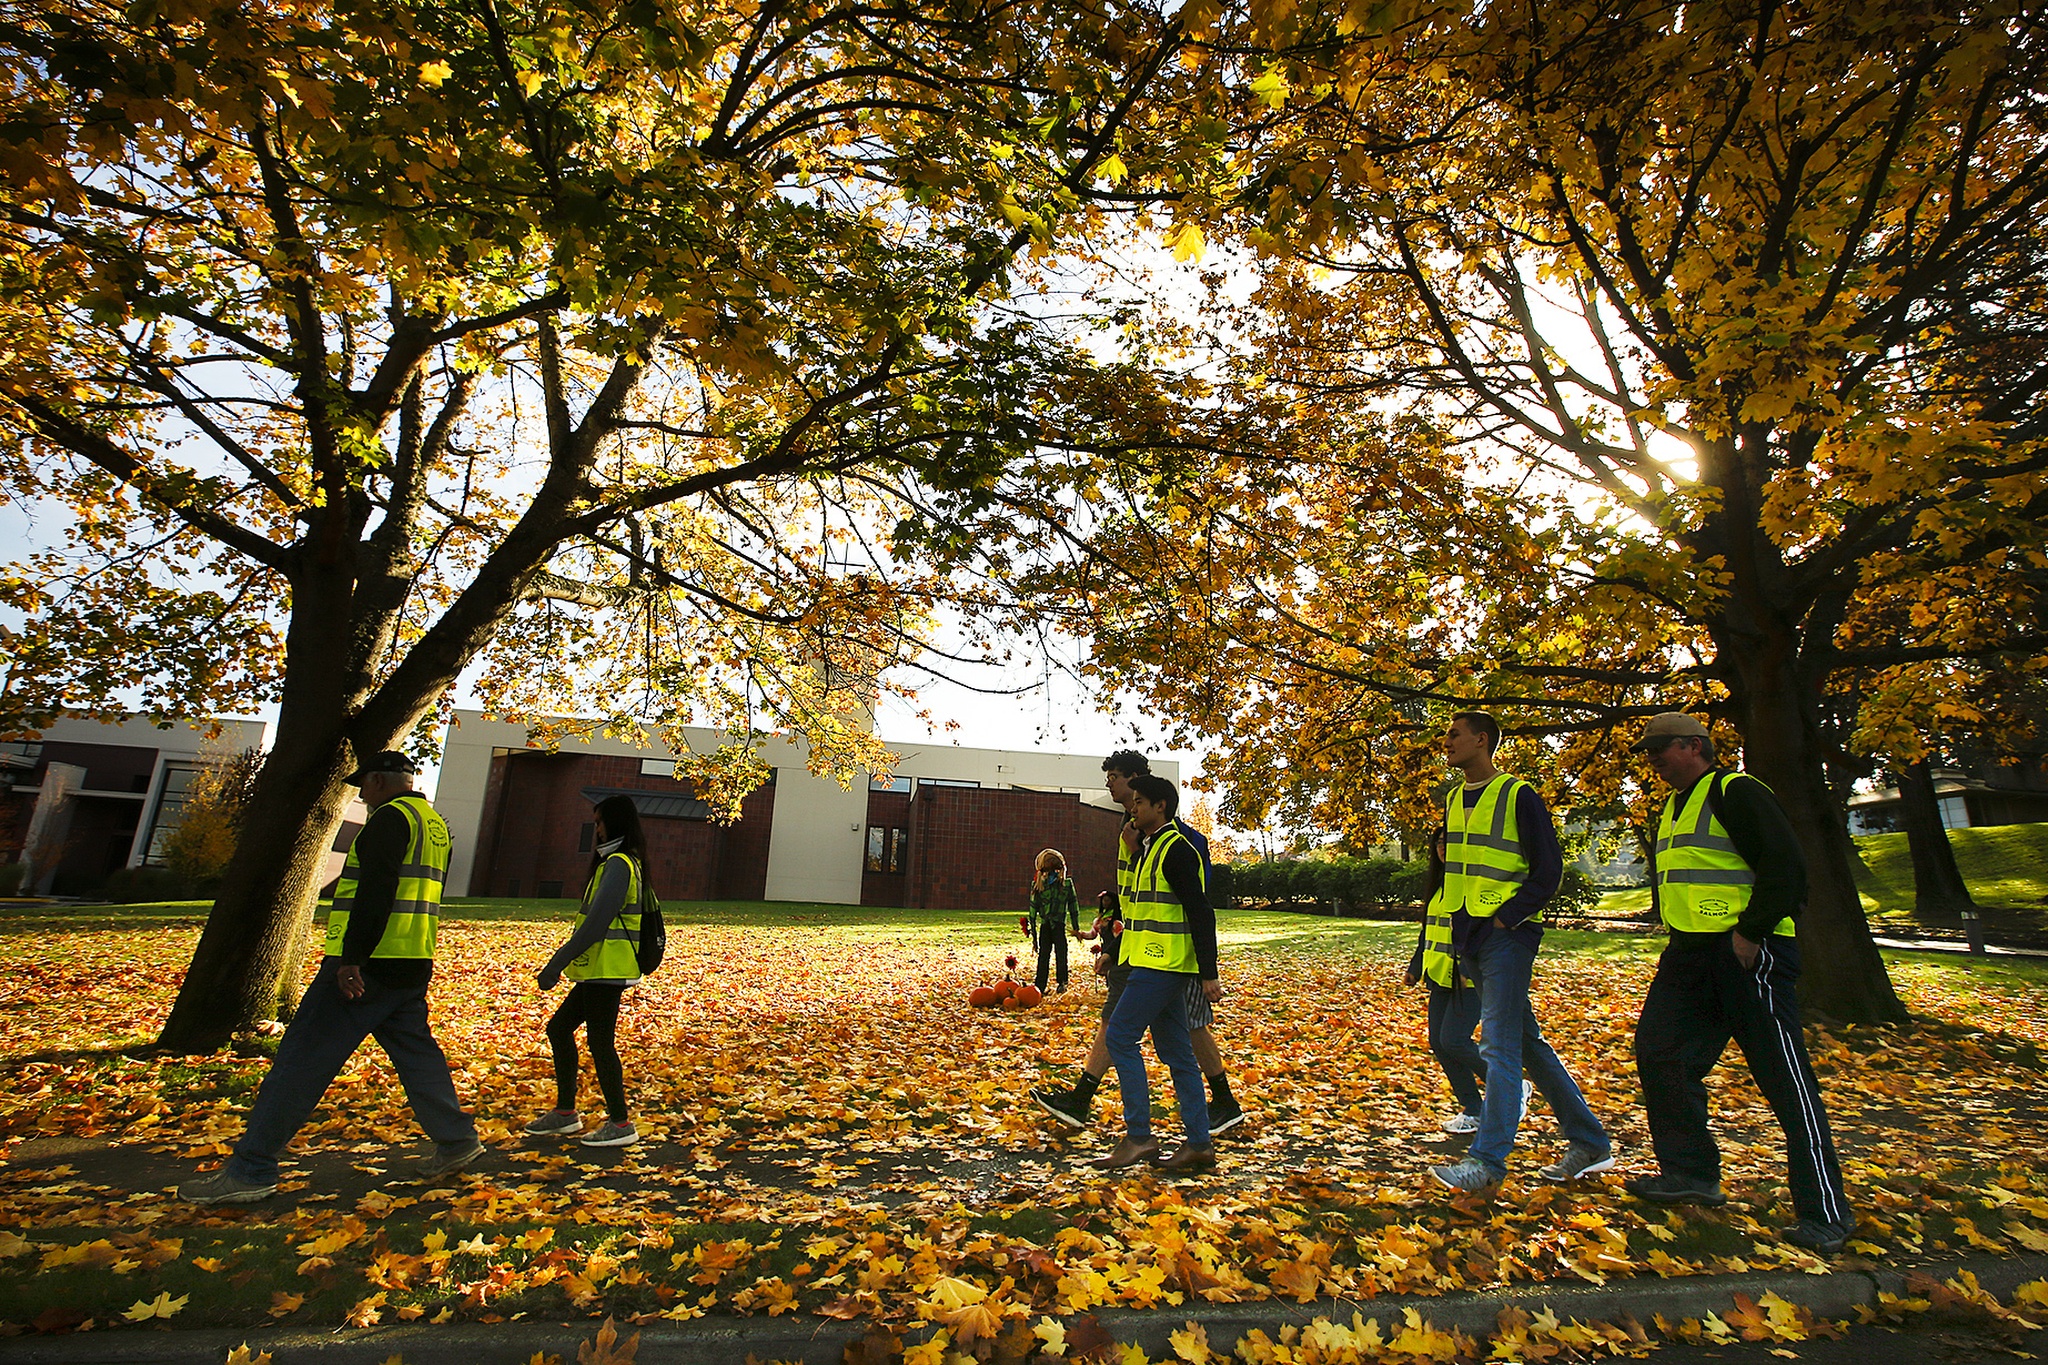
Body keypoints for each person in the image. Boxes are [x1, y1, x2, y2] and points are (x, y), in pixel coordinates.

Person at [179, 751, 481, 1204]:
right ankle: (457, 1140)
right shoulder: (433, 825)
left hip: (366, 966)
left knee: (301, 1061)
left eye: (363, 785)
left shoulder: (387, 821)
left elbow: (376, 893)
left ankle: (251, 1169)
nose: (360, 794)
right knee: (418, 1055)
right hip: (412, 959)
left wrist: (351, 959)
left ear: (379, 781)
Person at [1624, 712, 1855, 1254]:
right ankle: (1691, 1175)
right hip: (1689, 958)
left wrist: (1749, 935)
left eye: (1661, 747)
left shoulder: (1737, 790)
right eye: (1647, 750)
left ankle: (1826, 1212)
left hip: (1750, 956)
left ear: (1695, 746)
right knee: (1660, 1054)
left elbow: (1787, 868)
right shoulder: (1675, 807)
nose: (1652, 758)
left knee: (1786, 1081)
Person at [1427, 711, 1615, 1193]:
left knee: (1500, 1047)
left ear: (1481, 740)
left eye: (1454, 733)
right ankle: (1590, 1140)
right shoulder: (1453, 799)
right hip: (1471, 937)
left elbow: (1547, 869)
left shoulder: (1518, 794)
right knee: (1528, 1045)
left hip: (1505, 938)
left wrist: (1507, 917)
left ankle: (1487, 1164)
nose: (1446, 741)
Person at [1029, 750, 1243, 1134]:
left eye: (1115, 776)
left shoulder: (1173, 839)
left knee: (1180, 1029)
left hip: (1173, 956)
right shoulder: (1132, 833)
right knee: (1127, 1023)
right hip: (1138, 951)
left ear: (1136, 781)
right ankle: (1087, 1101)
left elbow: (1196, 904)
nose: (1108, 783)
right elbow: (1134, 898)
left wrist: (1206, 969)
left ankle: (1200, 1112)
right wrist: (1113, 948)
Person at [1091, 774, 1220, 1171]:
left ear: (1161, 806)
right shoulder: (1151, 849)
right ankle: (1198, 1144)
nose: (1133, 807)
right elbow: (1138, 907)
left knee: (1121, 1038)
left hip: (1161, 966)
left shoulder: (1175, 850)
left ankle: (1139, 1137)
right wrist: (1115, 952)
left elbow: (1201, 911)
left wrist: (1209, 972)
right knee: (1177, 1052)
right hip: (1153, 962)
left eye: (1141, 802)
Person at [524, 794, 647, 1148]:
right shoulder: (616, 862)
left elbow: (595, 926)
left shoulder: (620, 865)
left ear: (615, 822)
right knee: (560, 1029)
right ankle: (566, 1113)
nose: (596, 830)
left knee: (599, 1043)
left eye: (599, 822)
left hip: (607, 970)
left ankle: (620, 1123)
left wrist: (555, 965)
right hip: (599, 969)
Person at [1029, 848, 1082, 993]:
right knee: (1044, 955)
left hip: (1059, 925)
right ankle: (1040, 985)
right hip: (1046, 925)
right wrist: (1033, 933)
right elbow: (1033, 909)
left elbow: (1073, 905)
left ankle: (1062, 982)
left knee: (1061, 953)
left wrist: (1076, 927)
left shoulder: (1066, 884)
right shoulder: (1038, 885)